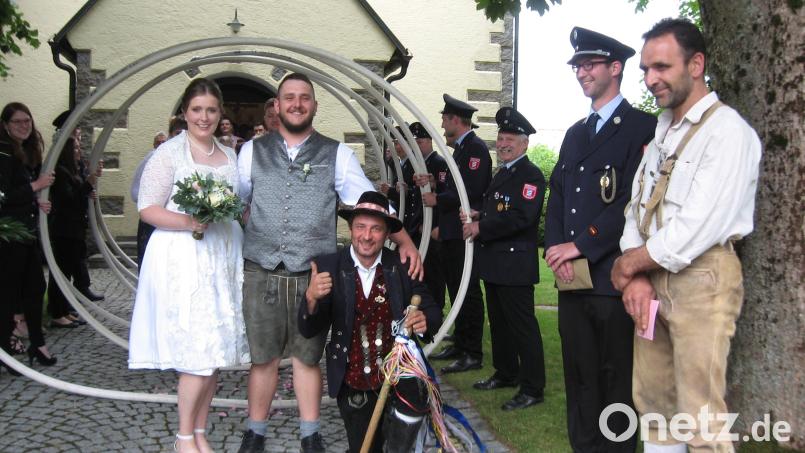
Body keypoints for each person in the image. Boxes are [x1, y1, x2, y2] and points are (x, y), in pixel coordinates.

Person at [235, 72, 422, 453]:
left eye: (304, 98)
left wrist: (403, 239)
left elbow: (368, 200)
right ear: (277, 105)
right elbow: (235, 202)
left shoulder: (336, 154)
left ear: (314, 105)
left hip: (312, 272)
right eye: (289, 97)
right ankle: (255, 431)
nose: (297, 104)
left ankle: (310, 433)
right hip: (261, 268)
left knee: (307, 357)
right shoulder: (251, 151)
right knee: (263, 357)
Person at [611, 18, 761, 452]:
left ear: (696, 65)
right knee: (654, 405)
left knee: (700, 415)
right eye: (644, 69)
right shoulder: (661, 134)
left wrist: (626, 266)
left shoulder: (728, 132)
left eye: (661, 67)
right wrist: (636, 276)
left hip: (702, 280)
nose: (650, 78)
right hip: (650, 277)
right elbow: (636, 210)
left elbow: (694, 228)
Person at [543, 27, 657, 452]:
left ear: (615, 67)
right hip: (573, 280)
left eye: (589, 64)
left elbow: (635, 200)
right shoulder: (575, 133)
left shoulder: (644, 127)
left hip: (614, 279)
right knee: (579, 375)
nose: (581, 72)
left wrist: (582, 245)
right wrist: (557, 251)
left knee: (617, 381)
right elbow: (558, 195)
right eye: (578, 66)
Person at [128, 78, 250, 453]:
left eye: (212, 110)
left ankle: (199, 431)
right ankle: (183, 437)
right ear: (184, 112)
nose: (204, 117)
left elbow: (237, 204)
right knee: (196, 351)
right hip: (183, 258)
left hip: (222, 258)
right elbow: (147, 207)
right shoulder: (169, 154)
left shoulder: (230, 156)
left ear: (220, 113)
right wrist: (189, 221)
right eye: (197, 109)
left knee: (213, 353)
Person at [298, 191, 442, 453]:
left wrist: (424, 319)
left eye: (376, 229)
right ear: (351, 229)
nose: (367, 236)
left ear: (387, 234)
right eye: (361, 227)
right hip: (353, 382)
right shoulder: (328, 266)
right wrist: (311, 298)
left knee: (403, 441)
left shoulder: (401, 265)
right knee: (364, 447)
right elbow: (308, 328)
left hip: (399, 379)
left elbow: (432, 311)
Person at [462, 107, 547, 410]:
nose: (503, 143)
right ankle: (506, 372)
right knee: (498, 324)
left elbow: (521, 218)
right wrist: (478, 213)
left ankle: (533, 388)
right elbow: (499, 210)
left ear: (524, 143)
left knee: (522, 327)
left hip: (515, 265)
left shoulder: (531, 175)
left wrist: (479, 226)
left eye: (510, 138)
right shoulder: (504, 173)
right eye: (500, 138)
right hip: (496, 264)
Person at [424, 94, 491, 374]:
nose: (441, 123)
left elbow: (471, 191)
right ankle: (461, 344)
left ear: (454, 119)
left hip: (465, 231)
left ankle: (472, 351)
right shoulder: (462, 150)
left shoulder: (474, 149)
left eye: (444, 118)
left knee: (469, 291)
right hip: (453, 231)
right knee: (456, 289)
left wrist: (438, 199)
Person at [0, 102, 57, 374]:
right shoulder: (3, 154)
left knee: (35, 288)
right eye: (17, 122)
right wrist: (36, 187)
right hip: (9, 239)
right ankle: (8, 347)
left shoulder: (21, 154)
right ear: (5, 125)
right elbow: (4, 197)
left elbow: (18, 195)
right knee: (9, 296)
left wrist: (36, 201)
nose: (24, 126)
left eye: (27, 121)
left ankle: (36, 343)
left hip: (25, 236)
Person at [47, 137, 101, 328]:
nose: (79, 150)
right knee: (61, 272)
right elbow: (68, 200)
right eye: (76, 148)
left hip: (73, 229)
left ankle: (64, 310)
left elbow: (78, 194)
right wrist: (88, 185)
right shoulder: (61, 172)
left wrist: (88, 186)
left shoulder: (71, 170)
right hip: (64, 229)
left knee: (67, 271)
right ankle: (57, 312)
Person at [410, 122, 449, 309]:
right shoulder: (420, 164)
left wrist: (435, 225)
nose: (417, 145)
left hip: (433, 229)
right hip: (421, 226)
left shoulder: (438, 163)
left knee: (435, 275)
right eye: (415, 142)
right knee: (423, 273)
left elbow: (443, 197)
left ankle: (436, 312)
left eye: (420, 141)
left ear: (428, 141)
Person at [130, 130, 168, 271]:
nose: (161, 145)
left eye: (164, 142)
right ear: (153, 145)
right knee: (147, 255)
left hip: (167, 216)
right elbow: (135, 190)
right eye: (159, 143)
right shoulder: (150, 158)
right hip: (152, 214)